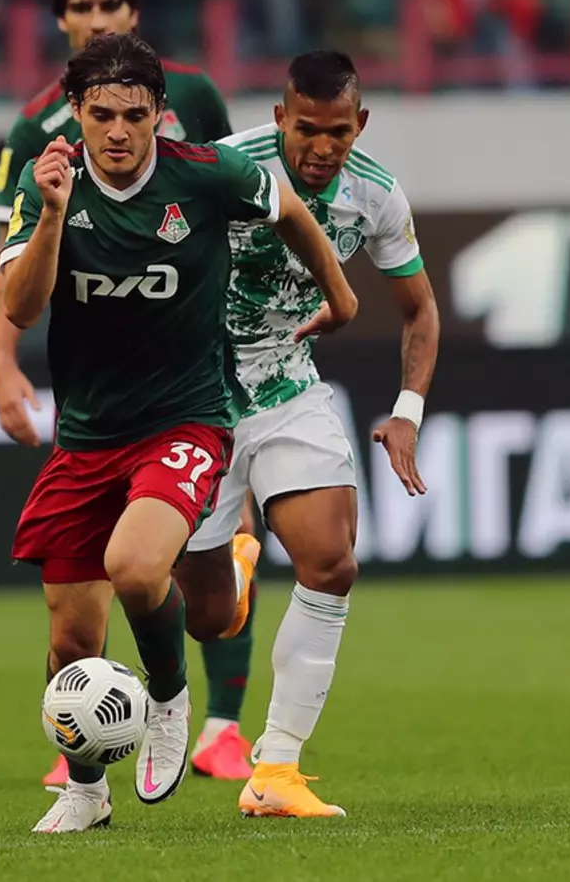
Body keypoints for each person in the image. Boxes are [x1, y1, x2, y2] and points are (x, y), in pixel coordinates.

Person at [1, 32, 359, 834]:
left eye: (135, 115)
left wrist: (339, 295)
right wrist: (53, 215)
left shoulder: (205, 175)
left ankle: (167, 697)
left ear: (160, 114)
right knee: (71, 643)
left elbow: (289, 210)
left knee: (134, 569)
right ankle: (86, 792)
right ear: (76, 112)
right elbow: (21, 308)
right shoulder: (46, 183)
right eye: (102, 115)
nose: (118, 132)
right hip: (87, 435)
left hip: (185, 419)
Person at [0, 0, 262, 787]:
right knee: (81, 627)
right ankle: (87, 769)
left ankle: (216, 722)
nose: (96, 18)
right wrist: (2, 361)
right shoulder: (36, 135)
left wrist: (272, 326)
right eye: (81, 6)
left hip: (194, 378)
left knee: (155, 568)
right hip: (93, 407)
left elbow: (240, 208)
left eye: (110, 4)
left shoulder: (195, 99)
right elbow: (10, 270)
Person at [179, 49, 441, 819]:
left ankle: (276, 771)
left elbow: (420, 309)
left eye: (338, 131)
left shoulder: (377, 195)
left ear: (361, 123)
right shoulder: (223, 168)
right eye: (306, 130)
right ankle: (231, 567)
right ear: (279, 118)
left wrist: (407, 410)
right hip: (192, 391)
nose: (322, 147)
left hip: (286, 384)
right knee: (207, 617)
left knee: (331, 561)